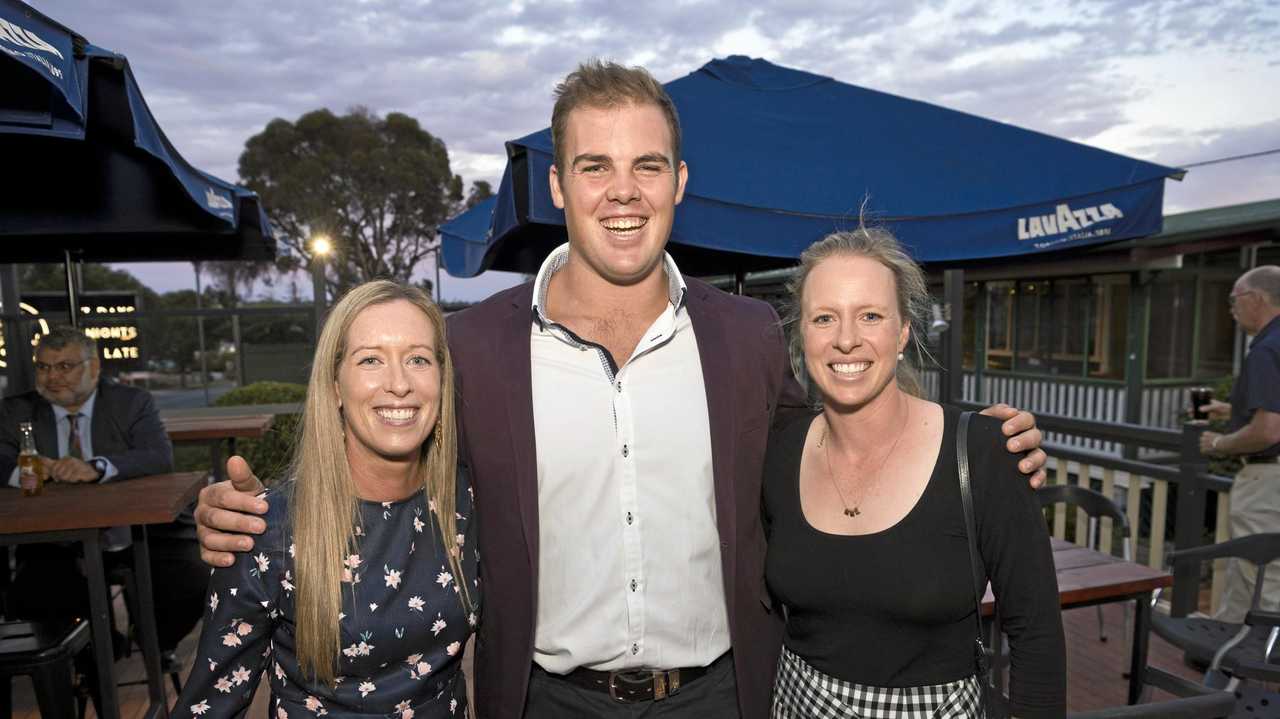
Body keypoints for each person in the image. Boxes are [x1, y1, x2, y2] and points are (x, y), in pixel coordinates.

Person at [193, 61, 1048, 719]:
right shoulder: (475, 346)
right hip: (547, 699)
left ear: (679, 181)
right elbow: (383, 446)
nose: (623, 191)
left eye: (647, 164)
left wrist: (978, 451)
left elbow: (835, 447)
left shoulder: (746, 336)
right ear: (559, 186)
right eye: (594, 166)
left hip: (721, 694)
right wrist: (245, 514)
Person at [765, 228, 1065, 718]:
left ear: (903, 330)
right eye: (824, 318)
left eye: (871, 315)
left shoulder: (985, 452)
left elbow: (1037, 637)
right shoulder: (780, 449)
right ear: (801, 334)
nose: (846, 339)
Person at [170, 281, 478, 719]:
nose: (399, 383)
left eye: (418, 359)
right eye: (370, 359)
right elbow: (209, 704)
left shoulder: (470, 501)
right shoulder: (267, 529)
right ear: (334, 386)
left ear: (442, 380)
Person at [0, 326, 204, 663]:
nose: (52, 377)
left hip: (140, 533)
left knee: (193, 577)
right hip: (55, 542)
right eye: (43, 367)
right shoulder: (16, 411)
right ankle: (99, 652)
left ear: (94, 368)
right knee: (32, 595)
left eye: (64, 366)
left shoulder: (131, 402)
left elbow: (158, 456)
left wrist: (97, 467)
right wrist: (27, 471)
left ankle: (156, 642)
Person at [1199, 265, 1280, 621]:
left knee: (1263, 578)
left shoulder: (1265, 349)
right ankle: (1222, 656)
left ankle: (1259, 664)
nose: (1231, 309)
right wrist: (1232, 410)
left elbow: (1269, 431)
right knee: (1246, 575)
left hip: (1267, 482)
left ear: (1257, 299)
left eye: (1234, 299)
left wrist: (1218, 443)